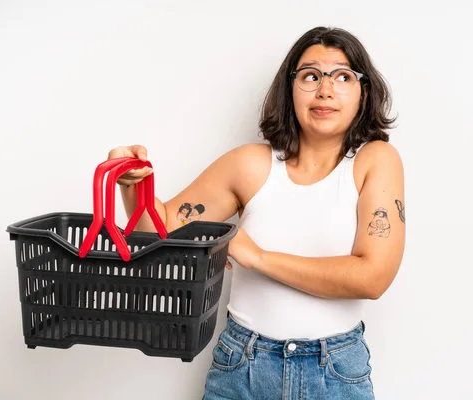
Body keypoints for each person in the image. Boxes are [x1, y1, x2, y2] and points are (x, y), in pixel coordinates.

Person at [108, 26, 405, 400]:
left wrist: (257, 257)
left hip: (334, 373)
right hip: (241, 368)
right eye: (310, 75)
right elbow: (160, 232)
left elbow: (372, 277)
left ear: (363, 92)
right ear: (289, 88)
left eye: (342, 76)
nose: (325, 90)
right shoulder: (249, 165)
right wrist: (133, 183)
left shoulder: (374, 161)